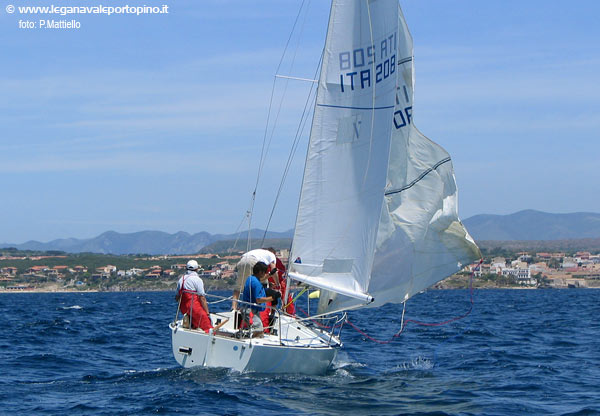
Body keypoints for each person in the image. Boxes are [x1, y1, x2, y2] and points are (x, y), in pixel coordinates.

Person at [175, 259, 213, 333]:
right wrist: (207, 313)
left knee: (194, 323)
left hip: (184, 308)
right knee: (207, 326)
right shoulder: (197, 280)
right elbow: (202, 297)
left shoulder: (181, 279)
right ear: (197, 269)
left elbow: (177, 297)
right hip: (194, 307)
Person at [240, 261, 276, 337]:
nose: (265, 274)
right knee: (258, 332)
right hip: (251, 311)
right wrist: (273, 297)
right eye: (264, 272)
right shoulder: (256, 283)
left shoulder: (251, 278)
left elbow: (260, 279)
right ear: (260, 272)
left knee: (259, 331)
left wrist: (270, 274)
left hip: (247, 309)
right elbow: (258, 300)